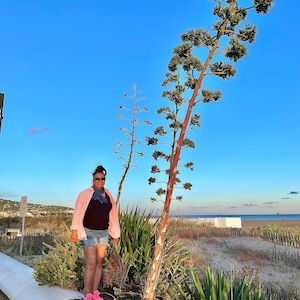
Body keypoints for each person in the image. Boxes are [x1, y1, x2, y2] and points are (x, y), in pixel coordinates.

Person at [70, 165, 120, 300]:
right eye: (97, 178)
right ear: (93, 180)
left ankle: (95, 293)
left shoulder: (108, 194)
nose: (99, 181)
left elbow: (113, 214)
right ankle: (87, 294)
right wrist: (74, 230)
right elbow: (78, 211)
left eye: (102, 179)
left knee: (99, 263)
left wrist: (115, 233)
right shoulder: (85, 194)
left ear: (104, 180)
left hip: (103, 232)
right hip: (88, 232)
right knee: (91, 263)